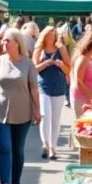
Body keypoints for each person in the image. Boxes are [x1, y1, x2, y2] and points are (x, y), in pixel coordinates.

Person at [0, 29, 41, 184]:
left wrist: (37, 109)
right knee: (5, 148)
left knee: (17, 150)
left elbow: (33, 88)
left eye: (7, 40)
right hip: (0, 112)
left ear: (17, 43)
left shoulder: (28, 63)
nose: (3, 43)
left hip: (22, 112)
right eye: (2, 41)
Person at [33, 26, 70, 160]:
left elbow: (68, 70)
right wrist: (45, 63)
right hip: (43, 86)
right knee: (45, 116)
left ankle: (53, 148)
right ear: (44, 36)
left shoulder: (61, 49)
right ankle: (45, 144)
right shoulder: (39, 50)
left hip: (59, 87)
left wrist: (61, 65)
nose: (51, 38)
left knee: (55, 119)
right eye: (48, 35)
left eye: (53, 35)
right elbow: (33, 69)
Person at [70, 33, 92, 116]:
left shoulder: (89, 58)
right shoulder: (82, 59)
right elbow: (78, 82)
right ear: (90, 45)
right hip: (83, 99)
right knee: (83, 125)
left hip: (90, 98)